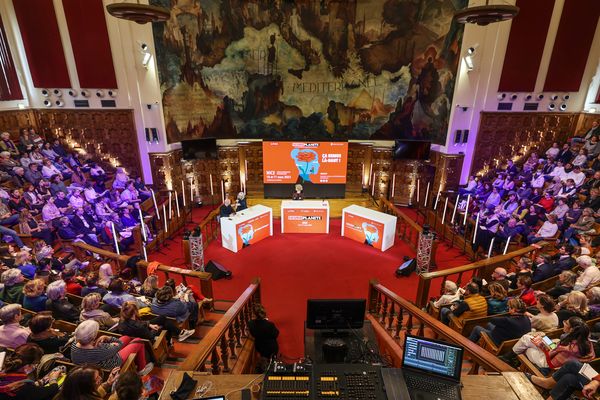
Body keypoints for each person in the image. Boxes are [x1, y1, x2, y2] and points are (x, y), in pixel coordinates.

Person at [70, 320, 153, 375]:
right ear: (93, 336)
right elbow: (119, 343)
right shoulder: (99, 350)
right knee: (138, 341)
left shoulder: (74, 344)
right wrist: (108, 338)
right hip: (112, 363)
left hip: (97, 361)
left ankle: (136, 360)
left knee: (126, 338)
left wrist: (109, 344)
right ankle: (141, 370)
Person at [117, 300, 195, 344]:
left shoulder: (122, 320)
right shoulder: (139, 326)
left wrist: (149, 324)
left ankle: (180, 333)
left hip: (140, 330)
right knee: (165, 326)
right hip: (146, 339)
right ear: (134, 312)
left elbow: (136, 324)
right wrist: (156, 328)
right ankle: (169, 342)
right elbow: (150, 336)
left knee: (162, 318)